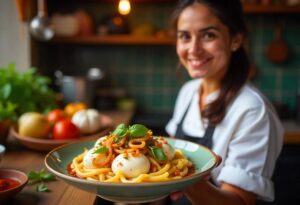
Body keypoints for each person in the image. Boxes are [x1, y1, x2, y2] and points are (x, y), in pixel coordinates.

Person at [165, 0, 284, 205]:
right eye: (185, 36)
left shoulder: (252, 110)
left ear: (236, 40)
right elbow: (170, 155)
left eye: (208, 35)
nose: (193, 49)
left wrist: (181, 175)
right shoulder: (188, 92)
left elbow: (239, 201)